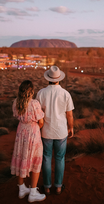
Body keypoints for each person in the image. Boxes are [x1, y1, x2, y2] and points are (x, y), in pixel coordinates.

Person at [36, 66, 74, 195]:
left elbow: (37, 113)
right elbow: (69, 115)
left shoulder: (41, 93)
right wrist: (71, 127)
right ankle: (58, 186)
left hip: (46, 131)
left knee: (46, 157)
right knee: (60, 158)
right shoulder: (65, 94)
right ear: (59, 79)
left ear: (48, 78)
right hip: (61, 131)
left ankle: (46, 187)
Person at [11, 80, 47, 202]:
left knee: (21, 157)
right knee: (36, 160)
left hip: (21, 131)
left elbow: (16, 116)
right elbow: (41, 122)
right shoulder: (34, 104)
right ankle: (32, 192)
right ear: (31, 91)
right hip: (33, 133)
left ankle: (21, 189)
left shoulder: (16, 102)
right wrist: (36, 129)